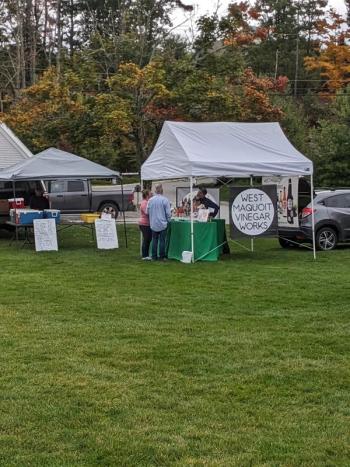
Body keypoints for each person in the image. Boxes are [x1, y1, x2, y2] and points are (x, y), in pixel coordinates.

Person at [146, 184, 171, 260]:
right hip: (162, 223)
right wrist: (168, 220)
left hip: (153, 223)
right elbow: (168, 213)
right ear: (162, 191)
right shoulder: (165, 200)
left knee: (154, 240)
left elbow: (147, 212)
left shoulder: (150, 200)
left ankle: (154, 256)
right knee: (162, 240)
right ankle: (162, 256)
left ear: (155, 191)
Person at [139, 189, 152, 260]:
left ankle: (146, 254)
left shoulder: (147, 202)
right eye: (150, 193)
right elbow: (147, 212)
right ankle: (144, 255)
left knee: (148, 239)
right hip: (144, 224)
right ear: (147, 195)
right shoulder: (144, 203)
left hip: (147, 223)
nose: (151, 194)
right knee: (146, 239)